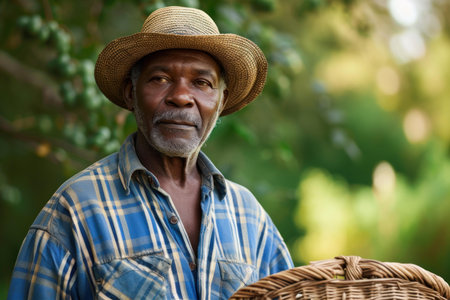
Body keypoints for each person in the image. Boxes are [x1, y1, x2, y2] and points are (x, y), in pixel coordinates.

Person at [7, 6, 293, 300]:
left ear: (221, 101)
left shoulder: (249, 216)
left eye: (202, 83)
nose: (181, 97)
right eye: (160, 78)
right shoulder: (76, 209)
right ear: (131, 93)